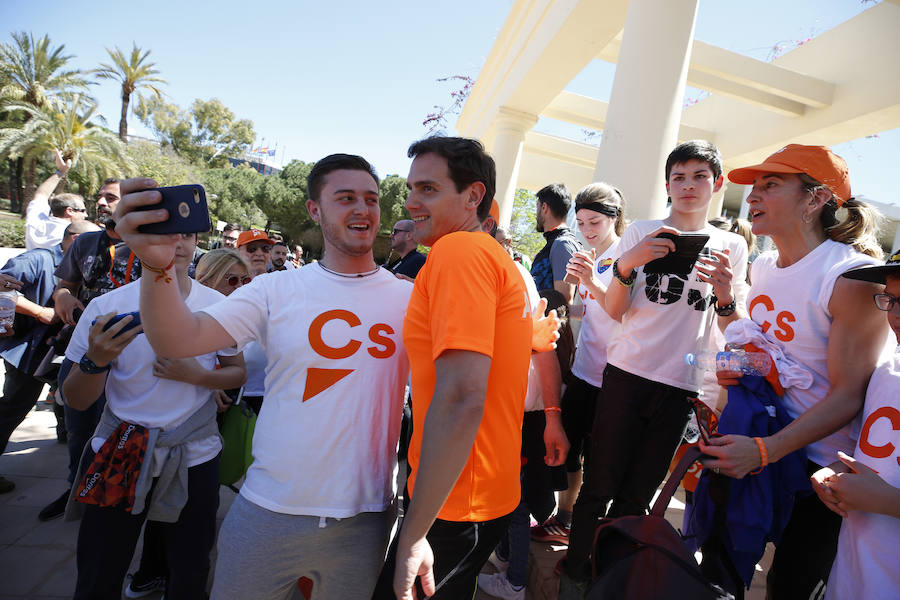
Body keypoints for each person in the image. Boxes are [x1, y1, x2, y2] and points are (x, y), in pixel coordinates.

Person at [112, 153, 414, 599]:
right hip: (268, 511)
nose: (362, 209)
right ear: (315, 209)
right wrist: (156, 267)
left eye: (370, 199)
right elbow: (178, 339)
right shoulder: (274, 289)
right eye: (345, 198)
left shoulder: (412, 298)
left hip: (365, 520)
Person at [560, 140, 750, 596]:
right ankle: (573, 578)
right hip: (626, 374)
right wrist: (628, 263)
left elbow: (734, 329)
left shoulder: (732, 246)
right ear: (667, 185)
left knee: (640, 497)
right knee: (598, 483)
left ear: (717, 185)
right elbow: (615, 310)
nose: (688, 186)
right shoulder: (641, 231)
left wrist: (725, 295)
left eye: (699, 176)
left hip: (681, 386)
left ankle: (615, 581)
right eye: (679, 177)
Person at [700, 144, 889, 599]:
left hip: (816, 473)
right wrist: (729, 319)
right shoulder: (763, 267)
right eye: (754, 186)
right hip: (755, 446)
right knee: (719, 573)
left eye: (770, 185)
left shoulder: (851, 278)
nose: (751, 198)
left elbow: (848, 397)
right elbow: (761, 348)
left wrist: (765, 451)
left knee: (788, 587)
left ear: (815, 199)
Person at [388, 136, 550, 600]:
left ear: (473, 196)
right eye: (411, 189)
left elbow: (461, 396)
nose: (412, 202)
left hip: (457, 499)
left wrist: (414, 533)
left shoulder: (460, 253)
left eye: (428, 190)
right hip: (481, 489)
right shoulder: (493, 257)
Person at [62, 231, 245, 599]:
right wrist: (95, 361)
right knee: (100, 568)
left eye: (187, 234)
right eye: (161, 234)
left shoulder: (220, 307)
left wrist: (201, 377)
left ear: (197, 241)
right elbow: (76, 400)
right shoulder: (107, 308)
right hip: (120, 451)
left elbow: (237, 371)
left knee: (190, 567)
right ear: (139, 241)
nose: (175, 244)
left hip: (195, 455)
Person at [534, 182, 626, 546]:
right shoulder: (589, 255)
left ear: (615, 220)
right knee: (567, 448)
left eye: (595, 223)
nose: (587, 231)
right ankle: (565, 516)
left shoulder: (625, 257)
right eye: (583, 223)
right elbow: (583, 310)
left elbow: (624, 314)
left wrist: (588, 280)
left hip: (615, 375)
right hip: (584, 369)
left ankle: (587, 530)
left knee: (600, 458)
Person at [39, 177, 135, 522]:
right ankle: (75, 490)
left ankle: (117, 498)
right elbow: (65, 285)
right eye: (101, 196)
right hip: (85, 350)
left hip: (135, 357)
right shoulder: (85, 243)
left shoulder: (155, 246)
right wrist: (63, 296)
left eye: (110, 197)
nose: (101, 201)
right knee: (79, 427)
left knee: (124, 429)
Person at [812, 249, 900, 600]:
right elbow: (877, 455)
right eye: (890, 299)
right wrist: (833, 471)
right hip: (853, 576)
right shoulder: (886, 369)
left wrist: (892, 503)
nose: (894, 314)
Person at [0, 221, 99, 494]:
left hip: (62, 350)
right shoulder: (38, 259)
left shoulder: (87, 267)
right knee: (15, 406)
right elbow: (2, 286)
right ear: (77, 240)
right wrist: (38, 311)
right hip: (28, 352)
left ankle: (66, 436)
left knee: (68, 397)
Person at [25, 149, 88, 250]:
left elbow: (41, 194)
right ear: (69, 211)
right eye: (83, 211)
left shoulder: (37, 223)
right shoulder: (74, 235)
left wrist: (60, 171)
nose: (86, 215)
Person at [530, 183, 581, 305]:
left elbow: (564, 301)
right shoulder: (556, 243)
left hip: (548, 322)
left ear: (544, 208)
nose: (536, 213)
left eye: (537, 206)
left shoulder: (562, 244)